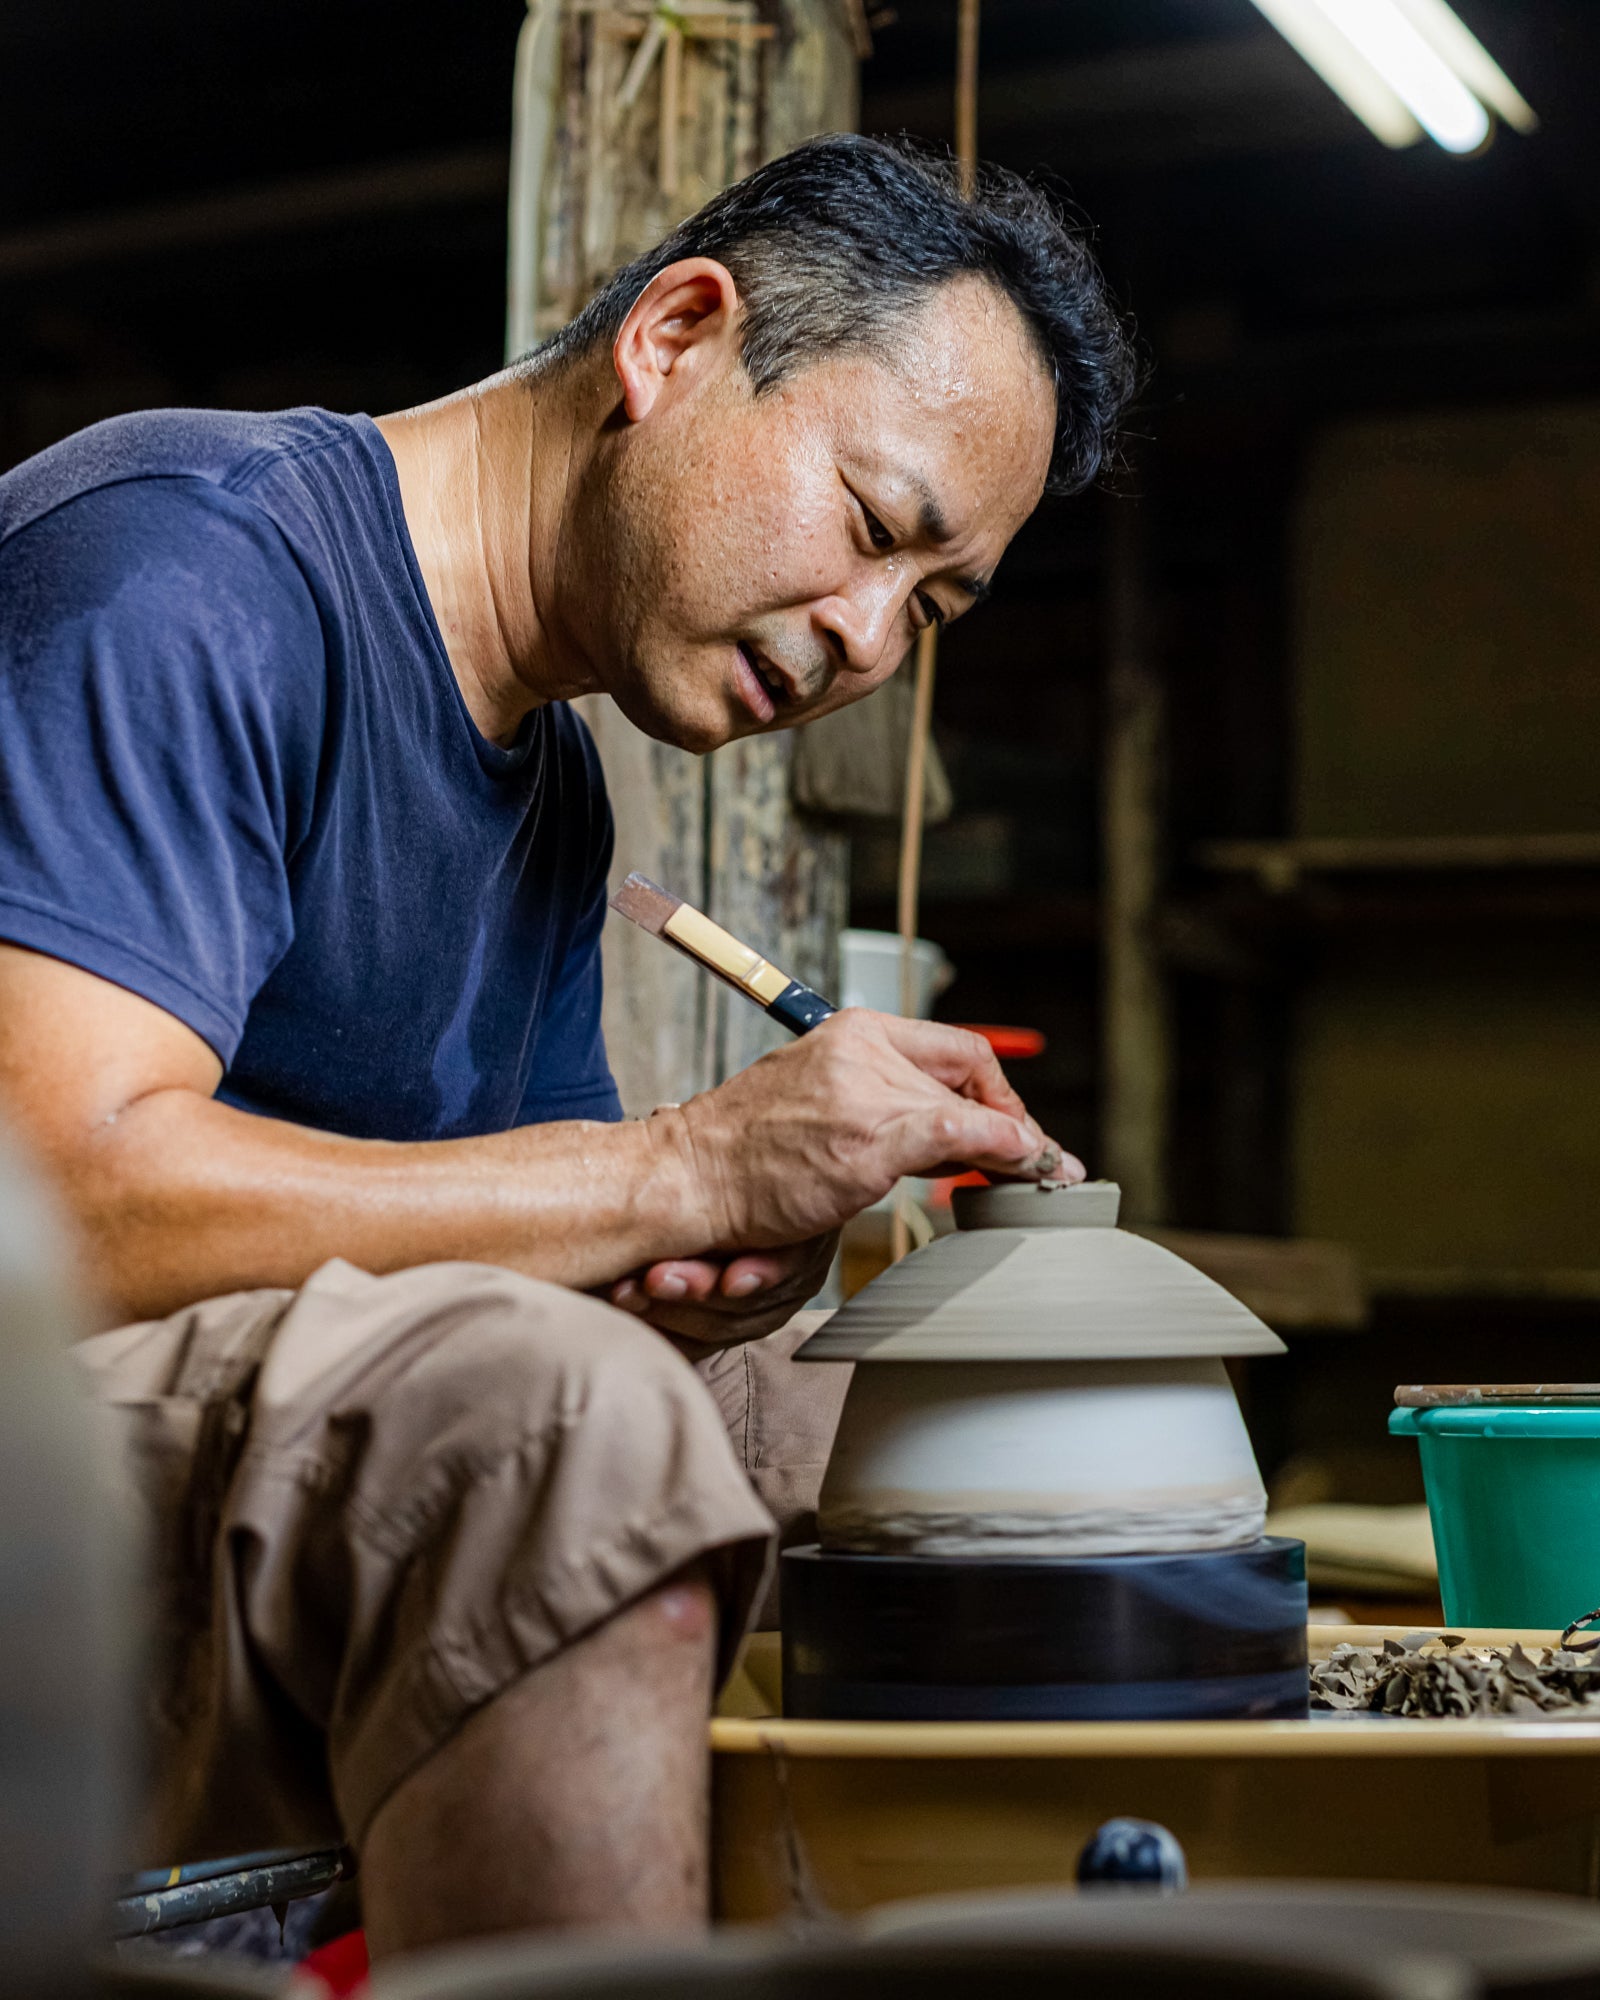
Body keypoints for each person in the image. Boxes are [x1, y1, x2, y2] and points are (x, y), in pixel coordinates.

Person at [0, 133, 1135, 1957]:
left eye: (929, 612)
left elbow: (548, 1277)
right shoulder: (185, 570)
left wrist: (716, 1265)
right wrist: (677, 1165)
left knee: (890, 1427)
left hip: (206, 1457)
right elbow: (53, 1205)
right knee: (551, 1428)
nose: (863, 639)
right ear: (677, 338)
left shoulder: (550, 802)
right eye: (869, 523)